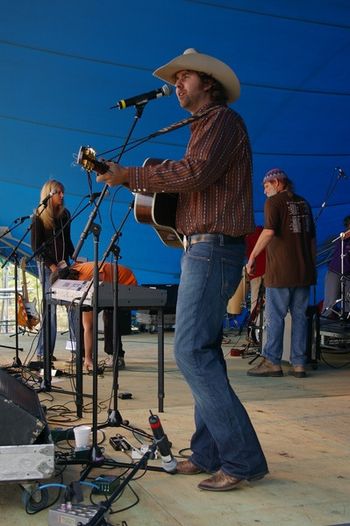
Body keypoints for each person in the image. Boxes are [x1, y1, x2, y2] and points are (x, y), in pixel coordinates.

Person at [94, 48, 268, 491]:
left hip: (212, 249)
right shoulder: (203, 126)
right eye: (176, 80)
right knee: (204, 352)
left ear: (208, 82)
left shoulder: (223, 122)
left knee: (189, 352)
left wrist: (131, 175)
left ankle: (242, 459)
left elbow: (195, 173)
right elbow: (193, 183)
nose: (177, 86)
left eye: (185, 77)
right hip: (202, 248)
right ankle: (209, 452)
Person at [31, 179, 136, 371]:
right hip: (47, 267)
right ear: (48, 194)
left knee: (75, 307)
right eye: (58, 192)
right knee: (50, 309)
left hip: (65, 265)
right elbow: (37, 248)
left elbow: (68, 241)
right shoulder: (37, 218)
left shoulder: (65, 215)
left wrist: (74, 258)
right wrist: (53, 267)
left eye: (63, 192)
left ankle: (77, 351)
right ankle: (44, 352)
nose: (62, 196)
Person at [246, 168, 316, 378]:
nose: (264, 191)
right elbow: (312, 239)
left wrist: (252, 258)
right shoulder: (304, 203)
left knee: (274, 317)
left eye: (266, 186)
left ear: (277, 183)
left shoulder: (273, 203)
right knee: (300, 318)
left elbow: (268, 232)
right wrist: (311, 266)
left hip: (280, 272)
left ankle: (272, 362)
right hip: (303, 272)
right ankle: (299, 364)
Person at [322, 215, 350, 318]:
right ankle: (326, 321)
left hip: (348, 274)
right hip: (336, 271)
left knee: (348, 301)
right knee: (331, 300)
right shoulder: (343, 238)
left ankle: (347, 318)